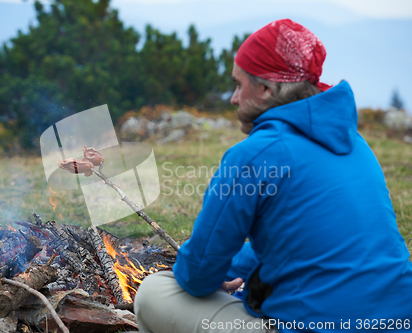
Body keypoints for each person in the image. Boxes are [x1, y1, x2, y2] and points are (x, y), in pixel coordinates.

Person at [134, 18, 412, 333]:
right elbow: (302, 239)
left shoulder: (253, 156)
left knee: (155, 292)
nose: (233, 98)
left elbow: (197, 277)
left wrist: (208, 269)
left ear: (266, 89)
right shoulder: (356, 145)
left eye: (239, 85)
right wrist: (239, 265)